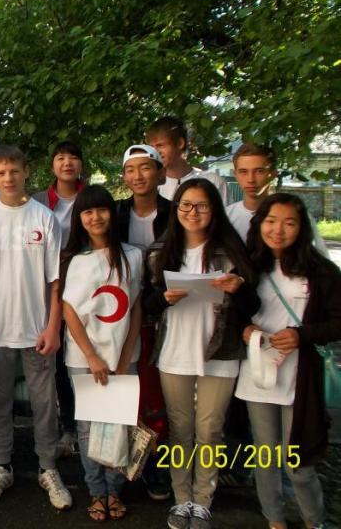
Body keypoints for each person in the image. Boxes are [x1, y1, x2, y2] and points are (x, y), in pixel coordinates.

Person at [143, 178, 260, 529]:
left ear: (214, 210)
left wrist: (238, 288)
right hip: (174, 350)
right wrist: (163, 298)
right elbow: (147, 306)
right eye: (186, 205)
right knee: (180, 429)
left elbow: (253, 305)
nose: (193, 212)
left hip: (220, 351)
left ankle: (203, 500)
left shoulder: (231, 251)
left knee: (210, 430)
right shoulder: (160, 251)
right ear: (176, 209)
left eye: (202, 206)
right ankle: (182, 500)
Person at [0, 145, 72, 511]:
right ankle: (2, 465)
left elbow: (55, 281)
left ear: (26, 171)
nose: (8, 178)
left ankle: (48, 468)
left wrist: (53, 326)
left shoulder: (45, 218)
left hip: (37, 330)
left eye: (14, 171)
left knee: (45, 404)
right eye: (1, 172)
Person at [235, 193, 340, 529]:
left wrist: (302, 335)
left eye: (289, 223)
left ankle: (314, 521)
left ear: (302, 228)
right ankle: (275, 520)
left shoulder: (321, 271)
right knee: (265, 456)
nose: (278, 230)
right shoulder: (249, 266)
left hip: (299, 377)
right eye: (271, 221)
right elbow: (233, 312)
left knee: (299, 463)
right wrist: (244, 328)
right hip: (258, 374)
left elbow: (338, 321)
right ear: (260, 224)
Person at [61, 185, 143, 522]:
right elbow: (69, 311)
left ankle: (114, 490)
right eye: (87, 211)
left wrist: (125, 356)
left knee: (119, 424)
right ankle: (96, 490)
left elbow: (135, 307)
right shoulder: (76, 260)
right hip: (84, 359)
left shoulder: (133, 256)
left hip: (124, 356)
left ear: (112, 212)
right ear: (80, 218)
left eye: (101, 209)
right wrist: (92, 356)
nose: (95, 217)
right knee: (88, 428)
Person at [116, 144, 173, 500]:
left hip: (167, 314)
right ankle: (127, 465)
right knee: (129, 394)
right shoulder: (116, 212)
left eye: (145, 168)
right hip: (123, 316)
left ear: (160, 173)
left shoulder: (174, 213)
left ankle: (157, 465)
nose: (138, 176)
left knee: (159, 396)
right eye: (130, 170)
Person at [31, 140, 86, 456]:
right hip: (48, 289)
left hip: (85, 288)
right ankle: (68, 428)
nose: (67, 163)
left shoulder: (91, 197)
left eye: (73, 157)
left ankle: (91, 428)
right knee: (61, 361)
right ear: (52, 164)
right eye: (61, 158)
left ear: (81, 164)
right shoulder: (38, 201)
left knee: (85, 355)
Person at [226, 143, 328, 254]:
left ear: (273, 174)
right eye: (243, 172)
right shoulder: (225, 217)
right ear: (235, 174)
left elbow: (318, 259)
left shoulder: (295, 216)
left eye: (259, 171)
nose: (251, 179)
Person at [146, 116, 229, 205]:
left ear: (180, 143)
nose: (155, 152)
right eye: (151, 147)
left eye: (160, 145)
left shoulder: (213, 182)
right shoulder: (150, 186)